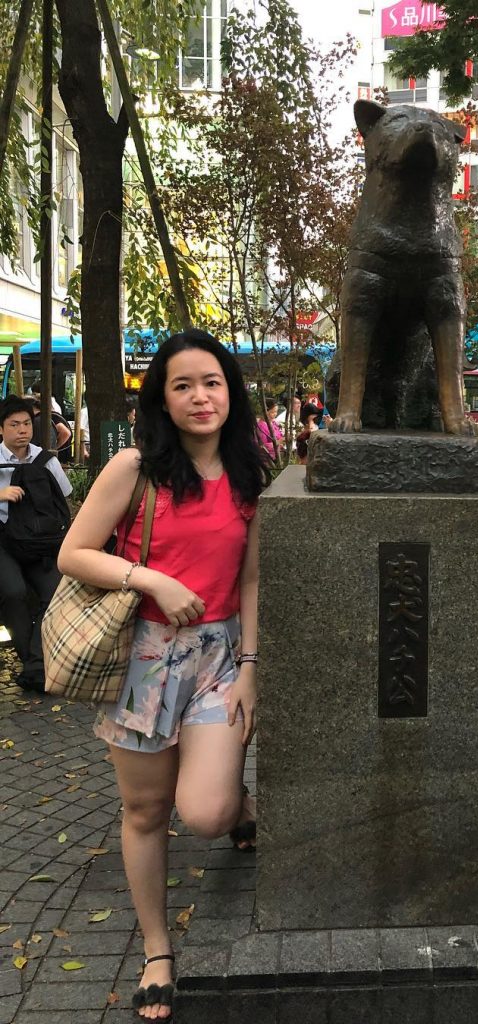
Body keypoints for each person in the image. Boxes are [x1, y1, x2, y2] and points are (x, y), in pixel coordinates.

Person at [57, 329, 272, 1021]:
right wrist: (148, 576)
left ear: (230, 392)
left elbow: (252, 578)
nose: (199, 397)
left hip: (217, 658)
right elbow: (73, 554)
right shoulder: (134, 467)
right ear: (162, 398)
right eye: (182, 385)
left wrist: (249, 668)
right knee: (146, 810)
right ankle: (156, 948)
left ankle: (234, 805)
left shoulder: (249, 472)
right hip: (143, 658)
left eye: (210, 382)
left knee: (203, 812)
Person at [0, 395, 72, 692]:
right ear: (1, 429)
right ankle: (34, 663)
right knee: (13, 592)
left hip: (42, 544)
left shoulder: (47, 460)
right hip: (4, 541)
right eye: (14, 424)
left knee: (56, 592)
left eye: (27, 423)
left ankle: (35, 665)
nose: (22, 430)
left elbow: (64, 498)